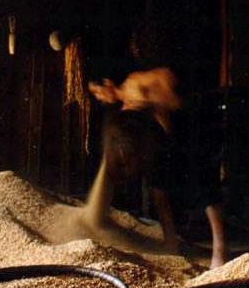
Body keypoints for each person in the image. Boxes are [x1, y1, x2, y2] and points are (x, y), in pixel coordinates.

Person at [89, 68, 228, 268]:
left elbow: (169, 95)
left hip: (191, 126)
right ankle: (171, 243)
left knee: (205, 187)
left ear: (108, 83)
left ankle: (219, 250)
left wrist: (156, 113)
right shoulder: (126, 101)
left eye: (97, 91)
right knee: (158, 189)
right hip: (167, 137)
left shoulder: (136, 84)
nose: (98, 97)